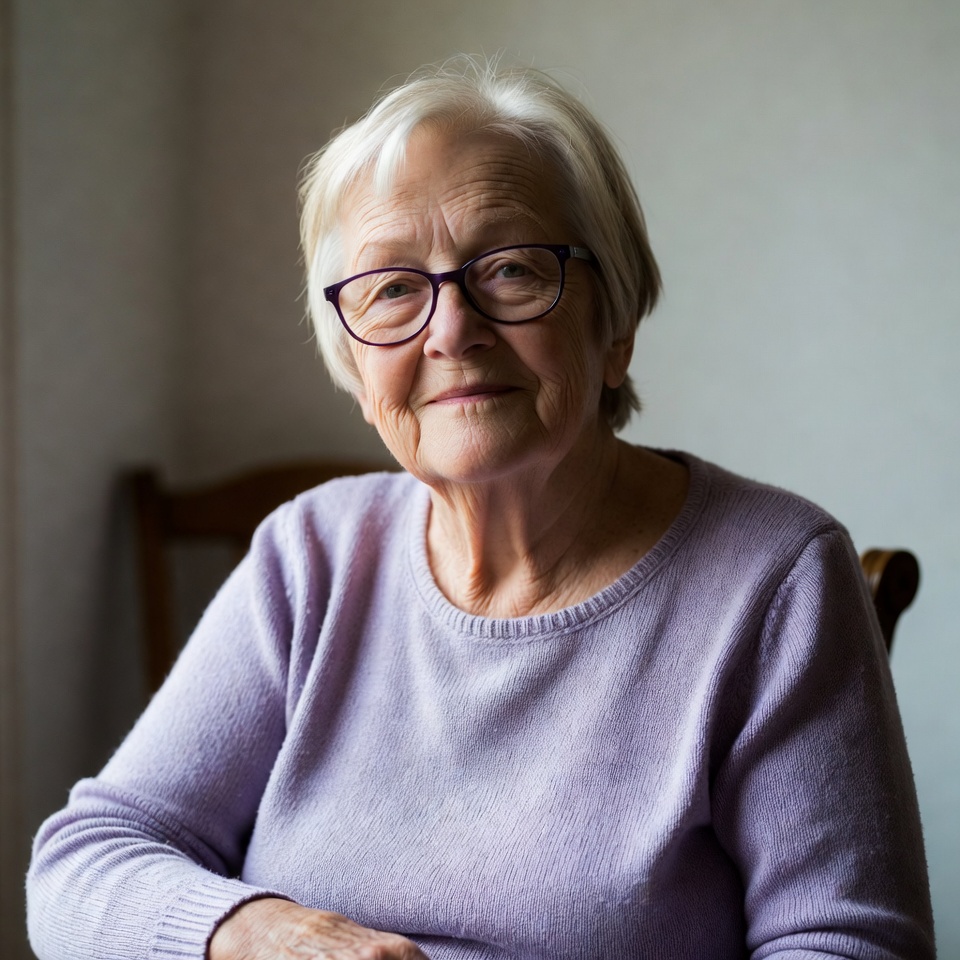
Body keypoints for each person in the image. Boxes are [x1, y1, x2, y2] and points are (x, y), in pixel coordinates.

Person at [27, 57, 934, 960]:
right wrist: (262, 934)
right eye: (392, 288)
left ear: (615, 328)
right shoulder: (311, 555)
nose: (451, 331)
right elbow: (83, 863)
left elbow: (850, 943)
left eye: (509, 270)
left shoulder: (776, 577)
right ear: (357, 369)